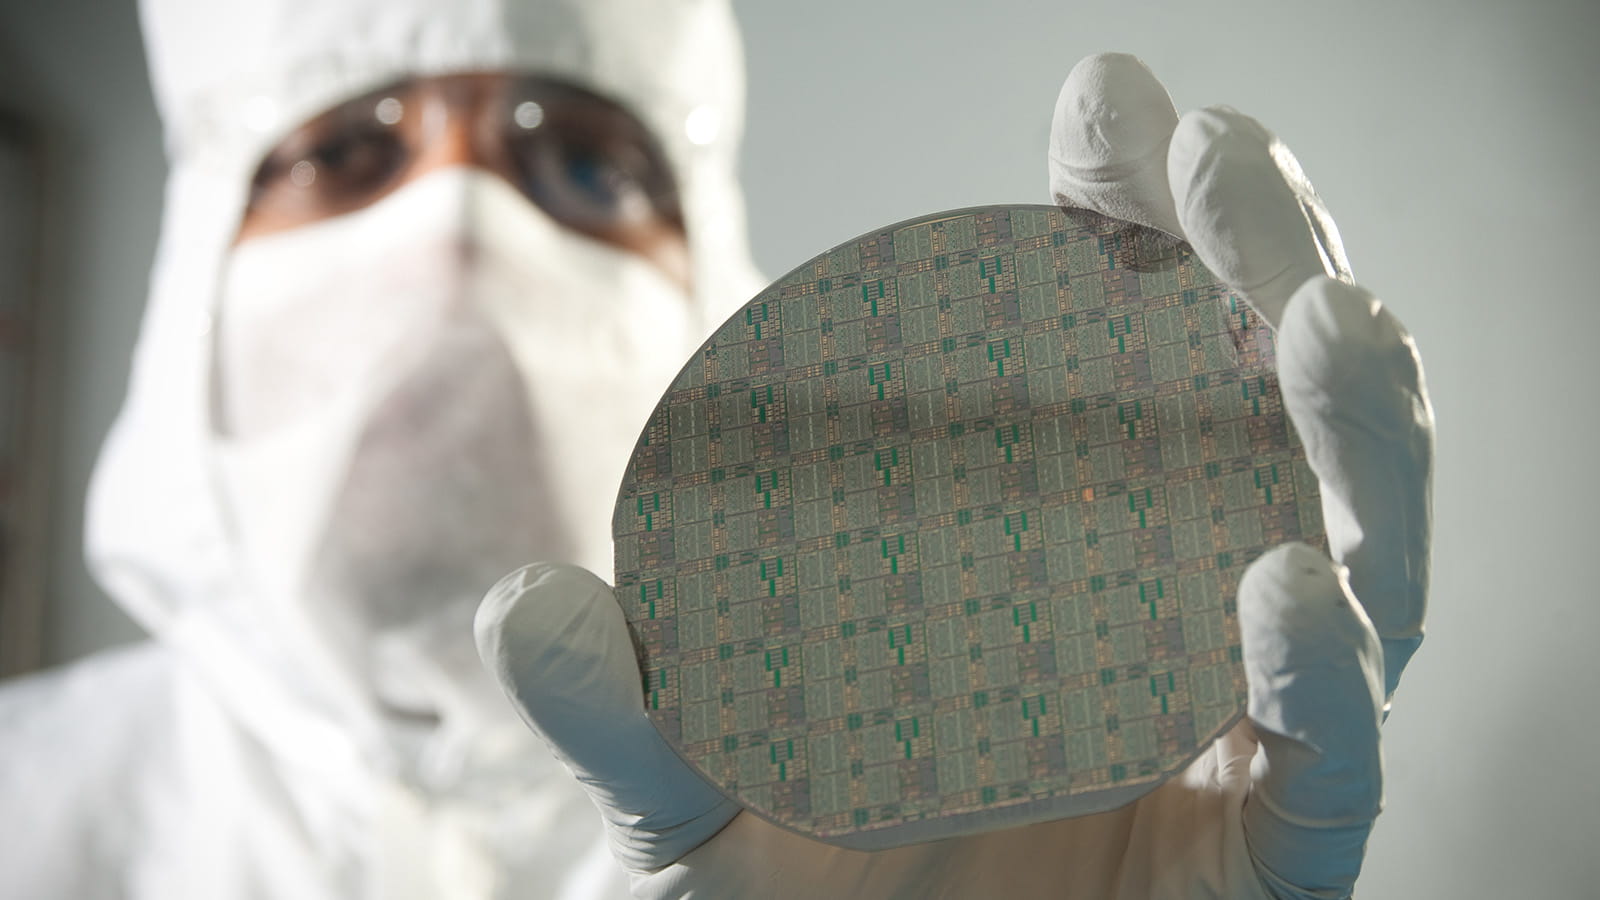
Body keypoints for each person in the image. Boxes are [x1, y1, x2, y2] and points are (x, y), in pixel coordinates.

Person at [0, 0, 1433, 898]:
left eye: (580, 159)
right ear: (198, 265)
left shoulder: (910, 791)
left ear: (706, 282)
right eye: (348, 153)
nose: (453, 233)